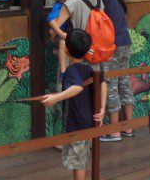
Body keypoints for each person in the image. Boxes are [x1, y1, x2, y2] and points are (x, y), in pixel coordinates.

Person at [41, 29, 107, 180]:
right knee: (81, 159)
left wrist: (56, 98)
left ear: (66, 49)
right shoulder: (88, 69)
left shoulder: (72, 71)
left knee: (78, 164)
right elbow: (103, 84)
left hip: (76, 124)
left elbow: (77, 87)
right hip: (87, 122)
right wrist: (102, 108)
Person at [87, 0, 135, 141]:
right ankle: (129, 126)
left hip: (110, 44)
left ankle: (114, 130)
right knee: (125, 82)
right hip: (125, 41)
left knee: (111, 85)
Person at [53, 0, 106, 72]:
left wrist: (53, 36)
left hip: (75, 56)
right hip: (94, 53)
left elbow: (55, 28)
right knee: (94, 85)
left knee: (72, 84)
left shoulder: (72, 2)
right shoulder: (99, 0)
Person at [46, 0, 74, 78]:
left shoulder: (73, 2)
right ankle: (63, 71)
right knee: (63, 42)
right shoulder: (58, 6)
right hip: (60, 34)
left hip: (69, 34)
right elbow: (51, 20)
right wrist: (60, 33)